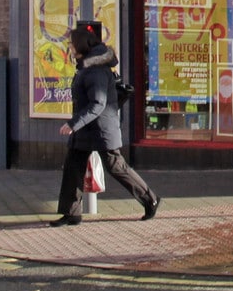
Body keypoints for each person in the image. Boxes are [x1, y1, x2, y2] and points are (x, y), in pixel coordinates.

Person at [50, 22, 160, 226]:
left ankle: (150, 198)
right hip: (86, 128)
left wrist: (74, 123)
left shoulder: (96, 70)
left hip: (100, 128)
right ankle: (71, 212)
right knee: (73, 166)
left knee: (116, 166)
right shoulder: (86, 66)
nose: (70, 48)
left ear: (81, 45)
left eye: (72, 44)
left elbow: (98, 104)